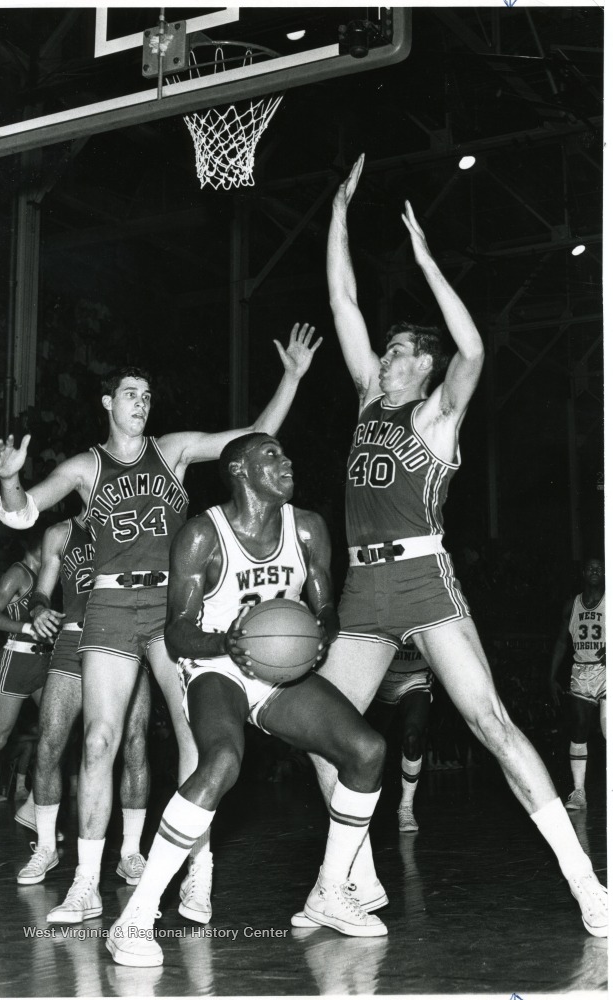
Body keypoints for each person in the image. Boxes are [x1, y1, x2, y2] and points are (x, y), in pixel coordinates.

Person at [302, 153, 607, 938]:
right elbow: (339, 298)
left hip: (423, 580)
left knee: (491, 725)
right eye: (390, 349)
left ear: (424, 367)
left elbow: (473, 351)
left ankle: (585, 883)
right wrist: (337, 214)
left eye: (403, 350)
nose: (388, 356)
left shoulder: (436, 417)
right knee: (310, 726)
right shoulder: (370, 401)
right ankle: (349, 882)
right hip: (363, 595)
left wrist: (427, 261)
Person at [0, 324, 320, 924]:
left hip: (173, 609)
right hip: (111, 610)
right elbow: (23, 513)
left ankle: (200, 874)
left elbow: (250, 437)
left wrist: (291, 378)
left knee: (196, 737)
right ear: (108, 403)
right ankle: (86, 883)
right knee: (98, 741)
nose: (142, 403)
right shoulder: (86, 467)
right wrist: (10, 478)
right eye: (131, 394)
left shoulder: (172, 451)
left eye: (147, 395)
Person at [106, 432, 387, 968]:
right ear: (238, 470)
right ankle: (136, 918)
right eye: (271, 455)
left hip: (278, 668)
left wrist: (318, 633)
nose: (286, 461)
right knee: (222, 760)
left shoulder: (307, 528)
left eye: (285, 452)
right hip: (215, 663)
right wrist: (225, 644)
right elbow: (177, 635)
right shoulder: (201, 536)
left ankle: (330, 891)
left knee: (367, 751)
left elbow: (326, 609)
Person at [15, 515, 151, 887]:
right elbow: (42, 591)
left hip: (123, 640)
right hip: (72, 642)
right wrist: (40, 609)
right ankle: (45, 847)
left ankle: (130, 853)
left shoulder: (136, 523)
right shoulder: (61, 533)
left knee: (134, 745)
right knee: (48, 744)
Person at [0, 529, 50, 848]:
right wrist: (27, 626)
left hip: (42, 663)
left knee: (58, 735)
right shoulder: (17, 573)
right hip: (16, 661)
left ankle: (36, 814)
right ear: (33, 542)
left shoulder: (50, 575)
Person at [549, 558, 606, 812]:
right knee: (580, 728)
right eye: (590, 568)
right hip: (581, 671)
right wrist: (550, 677)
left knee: (608, 729)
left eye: (600, 568)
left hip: (607, 671)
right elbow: (562, 641)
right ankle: (579, 791)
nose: (595, 571)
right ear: (583, 573)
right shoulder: (572, 604)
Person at [365, 641, 432, 832]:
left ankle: (406, 807)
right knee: (370, 746)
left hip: (415, 678)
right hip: (380, 677)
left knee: (412, 738)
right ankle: (361, 807)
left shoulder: (428, 612)